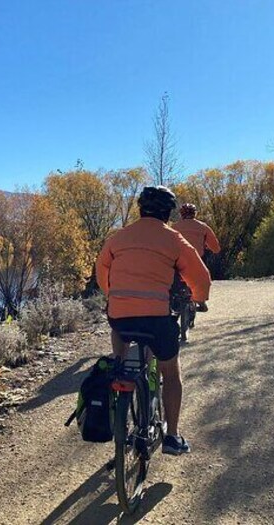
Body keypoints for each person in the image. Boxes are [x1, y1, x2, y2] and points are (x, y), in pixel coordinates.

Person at [96, 186, 211, 455]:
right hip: (157, 320)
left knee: (119, 328)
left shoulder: (119, 237)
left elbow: (102, 269)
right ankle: (172, 437)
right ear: (168, 213)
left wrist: (112, 295)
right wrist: (197, 297)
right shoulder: (174, 239)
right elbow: (201, 279)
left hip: (121, 317)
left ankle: (121, 366)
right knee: (171, 373)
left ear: (140, 210)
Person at [172, 203, 220, 327]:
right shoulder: (203, 227)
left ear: (181, 214)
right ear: (195, 214)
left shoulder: (174, 226)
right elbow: (215, 248)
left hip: (177, 261)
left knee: (171, 282)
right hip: (197, 260)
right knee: (202, 278)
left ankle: (172, 303)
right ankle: (201, 301)